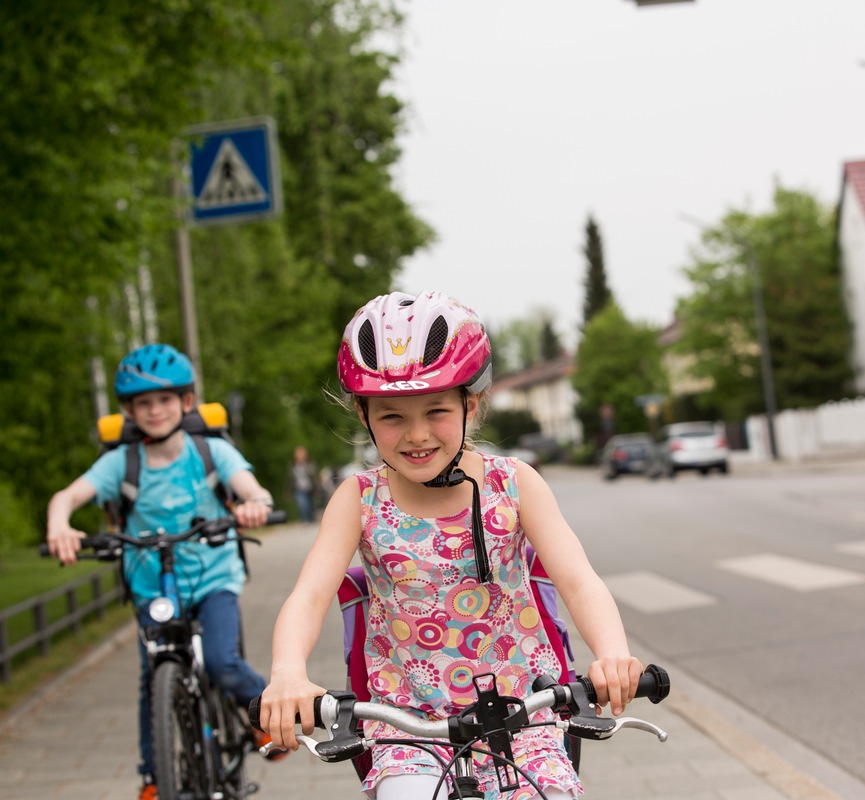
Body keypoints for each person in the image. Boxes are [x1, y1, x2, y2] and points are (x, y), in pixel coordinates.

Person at [259, 291, 644, 800]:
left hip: (522, 720)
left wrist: (613, 653)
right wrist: (287, 673)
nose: (416, 434)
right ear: (363, 413)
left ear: (472, 403)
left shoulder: (515, 483)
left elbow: (577, 579)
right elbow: (307, 596)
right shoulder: (358, 499)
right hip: (407, 728)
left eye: (436, 410)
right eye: (392, 416)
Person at [45, 343, 285, 800]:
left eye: (164, 400)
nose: (154, 411)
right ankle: (154, 778)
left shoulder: (211, 452)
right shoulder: (121, 463)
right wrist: (60, 525)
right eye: (143, 404)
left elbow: (252, 489)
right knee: (152, 676)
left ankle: (267, 717)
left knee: (221, 661)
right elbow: (66, 498)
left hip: (213, 579)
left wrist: (256, 505)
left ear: (186, 403)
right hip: (151, 586)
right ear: (129, 411)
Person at [285, 444, 319, 522]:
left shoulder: (310, 464)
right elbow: (289, 480)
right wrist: (288, 491)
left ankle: (310, 519)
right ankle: (305, 520)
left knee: (310, 505)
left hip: (309, 488)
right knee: (302, 505)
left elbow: (315, 478)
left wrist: (317, 489)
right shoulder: (292, 466)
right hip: (298, 489)